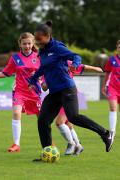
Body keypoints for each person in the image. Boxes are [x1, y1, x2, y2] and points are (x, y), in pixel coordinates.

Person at [29, 21, 113, 161]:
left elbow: (76, 56)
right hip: (55, 92)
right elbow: (43, 68)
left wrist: (74, 65)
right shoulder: (42, 51)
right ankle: (47, 152)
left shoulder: (58, 47)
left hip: (67, 88)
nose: (37, 42)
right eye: (35, 39)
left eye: (39, 39)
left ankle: (105, 133)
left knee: (73, 117)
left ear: (48, 36)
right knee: (42, 120)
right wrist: (33, 80)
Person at [0, 32, 41, 152]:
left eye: (29, 43)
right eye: (24, 44)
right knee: (16, 113)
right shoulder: (15, 58)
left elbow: (45, 72)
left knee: (42, 119)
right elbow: (5, 73)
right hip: (19, 91)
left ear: (33, 43)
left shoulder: (39, 57)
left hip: (34, 93)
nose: (27, 46)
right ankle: (16, 144)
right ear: (20, 44)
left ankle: (49, 142)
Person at [54, 62, 103, 155]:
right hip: (59, 97)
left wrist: (95, 68)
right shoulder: (47, 65)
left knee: (59, 122)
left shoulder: (65, 62)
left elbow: (82, 66)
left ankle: (71, 144)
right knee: (67, 123)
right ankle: (78, 145)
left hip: (70, 97)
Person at [102, 40, 120, 143]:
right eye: (119, 47)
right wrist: (104, 86)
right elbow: (107, 73)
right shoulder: (112, 60)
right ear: (117, 48)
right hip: (113, 88)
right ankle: (112, 133)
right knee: (113, 108)